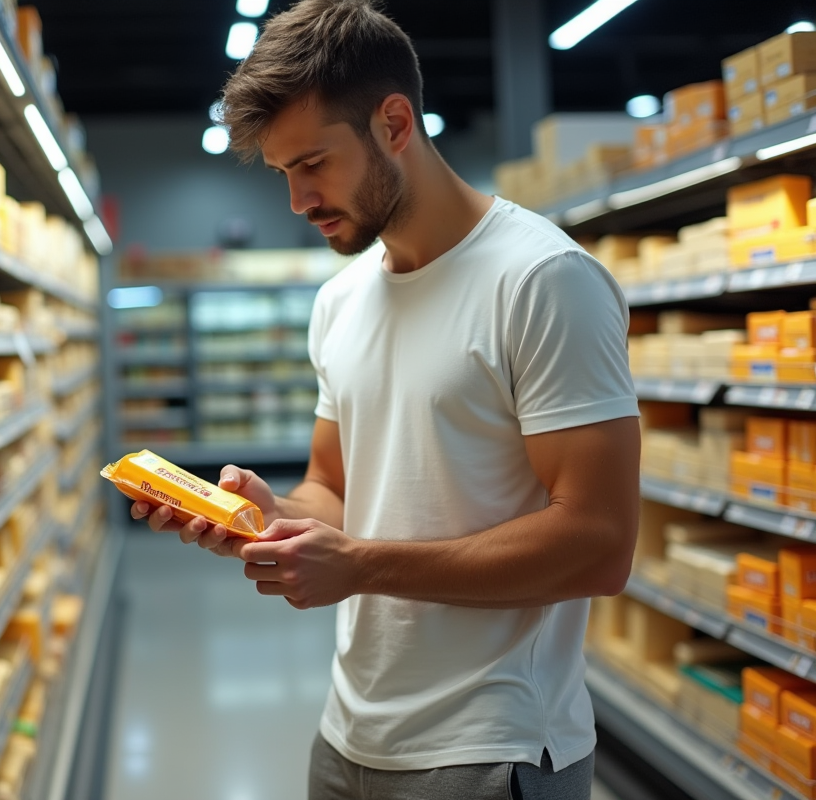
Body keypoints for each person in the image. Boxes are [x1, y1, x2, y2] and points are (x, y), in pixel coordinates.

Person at [130, 1, 640, 797]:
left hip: (488, 746)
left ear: (395, 122)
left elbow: (601, 543)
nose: (298, 202)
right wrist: (272, 517)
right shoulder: (341, 301)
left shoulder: (542, 281)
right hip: (348, 735)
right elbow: (334, 488)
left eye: (314, 164)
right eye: (283, 174)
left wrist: (360, 566)